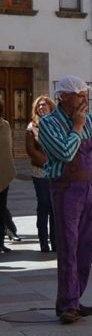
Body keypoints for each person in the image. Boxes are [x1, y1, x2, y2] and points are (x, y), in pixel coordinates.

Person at [38, 75, 92, 324]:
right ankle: (67, 304)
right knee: (68, 245)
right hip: (65, 189)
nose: (84, 98)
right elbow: (65, 153)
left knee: (86, 246)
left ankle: (75, 298)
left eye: (85, 93)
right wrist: (77, 126)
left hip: (87, 187)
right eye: (79, 94)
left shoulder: (91, 119)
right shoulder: (49, 123)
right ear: (63, 97)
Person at [26, 95, 57, 252]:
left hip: (56, 173)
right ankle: (43, 241)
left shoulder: (58, 125)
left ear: (51, 107)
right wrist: (48, 162)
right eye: (39, 105)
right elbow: (31, 150)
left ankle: (56, 241)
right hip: (40, 171)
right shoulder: (32, 127)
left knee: (55, 207)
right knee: (44, 205)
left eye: (44, 105)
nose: (41, 107)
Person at [0, 98, 15, 255]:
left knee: (1, 209)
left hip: (3, 173)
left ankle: (1, 242)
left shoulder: (6, 125)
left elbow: (8, 149)